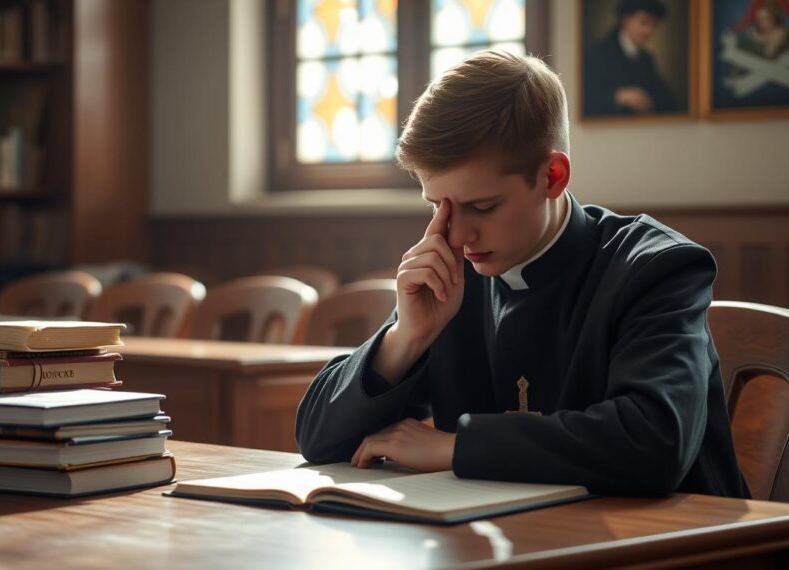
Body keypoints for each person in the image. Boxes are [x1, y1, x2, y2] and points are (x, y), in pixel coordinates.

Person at [295, 49, 750, 498]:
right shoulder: (453, 276)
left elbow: (654, 443)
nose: (457, 234)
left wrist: (457, 448)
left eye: (483, 206)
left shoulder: (655, 268)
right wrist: (405, 338)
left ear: (553, 176)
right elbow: (318, 442)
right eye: (438, 206)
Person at [583, 0, 678, 116]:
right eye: (644, 22)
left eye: (654, 24)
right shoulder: (595, 55)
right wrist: (618, 97)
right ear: (625, 19)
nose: (649, 31)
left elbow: (668, 101)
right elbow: (585, 100)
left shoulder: (646, 59)